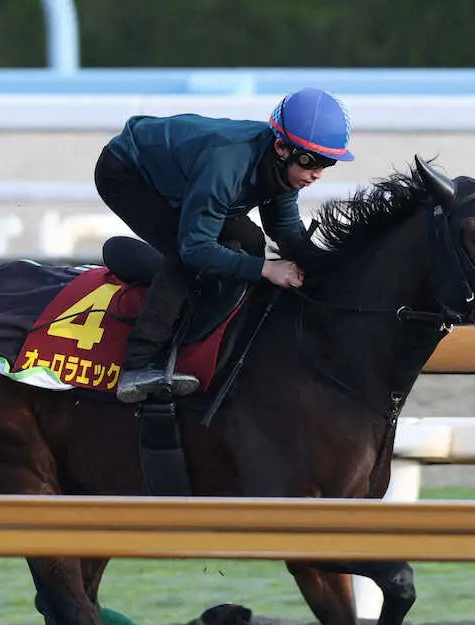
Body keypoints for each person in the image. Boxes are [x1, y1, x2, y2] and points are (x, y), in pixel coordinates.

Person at [94, 87, 355, 404]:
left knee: (251, 240)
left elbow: (284, 229)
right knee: (183, 258)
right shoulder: (226, 165)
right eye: (311, 162)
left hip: (190, 177)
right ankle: (139, 363)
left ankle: (223, 327)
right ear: (281, 148)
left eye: (327, 164)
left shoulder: (281, 165)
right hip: (127, 173)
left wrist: (322, 270)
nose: (317, 175)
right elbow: (195, 248)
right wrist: (266, 269)